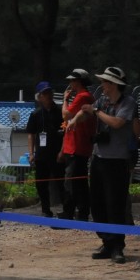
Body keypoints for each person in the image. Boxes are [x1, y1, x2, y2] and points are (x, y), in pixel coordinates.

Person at [82, 66, 136, 264]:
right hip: (98, 158)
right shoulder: (101, 101)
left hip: (117, 161)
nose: (102, 85)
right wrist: (76, 118)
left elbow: (117, 123)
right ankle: (106, 241)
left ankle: (117, 246)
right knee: (97, 203)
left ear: (114, 84)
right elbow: (88, 113)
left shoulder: (128, 102)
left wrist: (95, 111)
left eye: (105, 82)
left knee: (115, 204)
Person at [58, 68, 94, 222]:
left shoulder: (83, 96)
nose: (70, 83)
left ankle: (69, 212)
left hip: (77, 146)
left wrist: (65, 99)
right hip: (76, 145)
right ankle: (81, 212)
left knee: (71, 182)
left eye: (72, 80)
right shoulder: (83, 96)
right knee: (79, 181)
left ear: (79, 81)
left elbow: (65, 115)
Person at [26, 81, 64, 218]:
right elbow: (31, 134)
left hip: (58, 153)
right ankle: (45, 209)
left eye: (49, 92)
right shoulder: (35, 114)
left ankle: (67, 209)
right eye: (45, 93)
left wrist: (63, 151)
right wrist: (31, 153)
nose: (48, 95)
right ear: (39, 97)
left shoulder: (61, 112)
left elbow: (66, 132)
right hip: (41, 155)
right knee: (41, 184)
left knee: (62, 182)